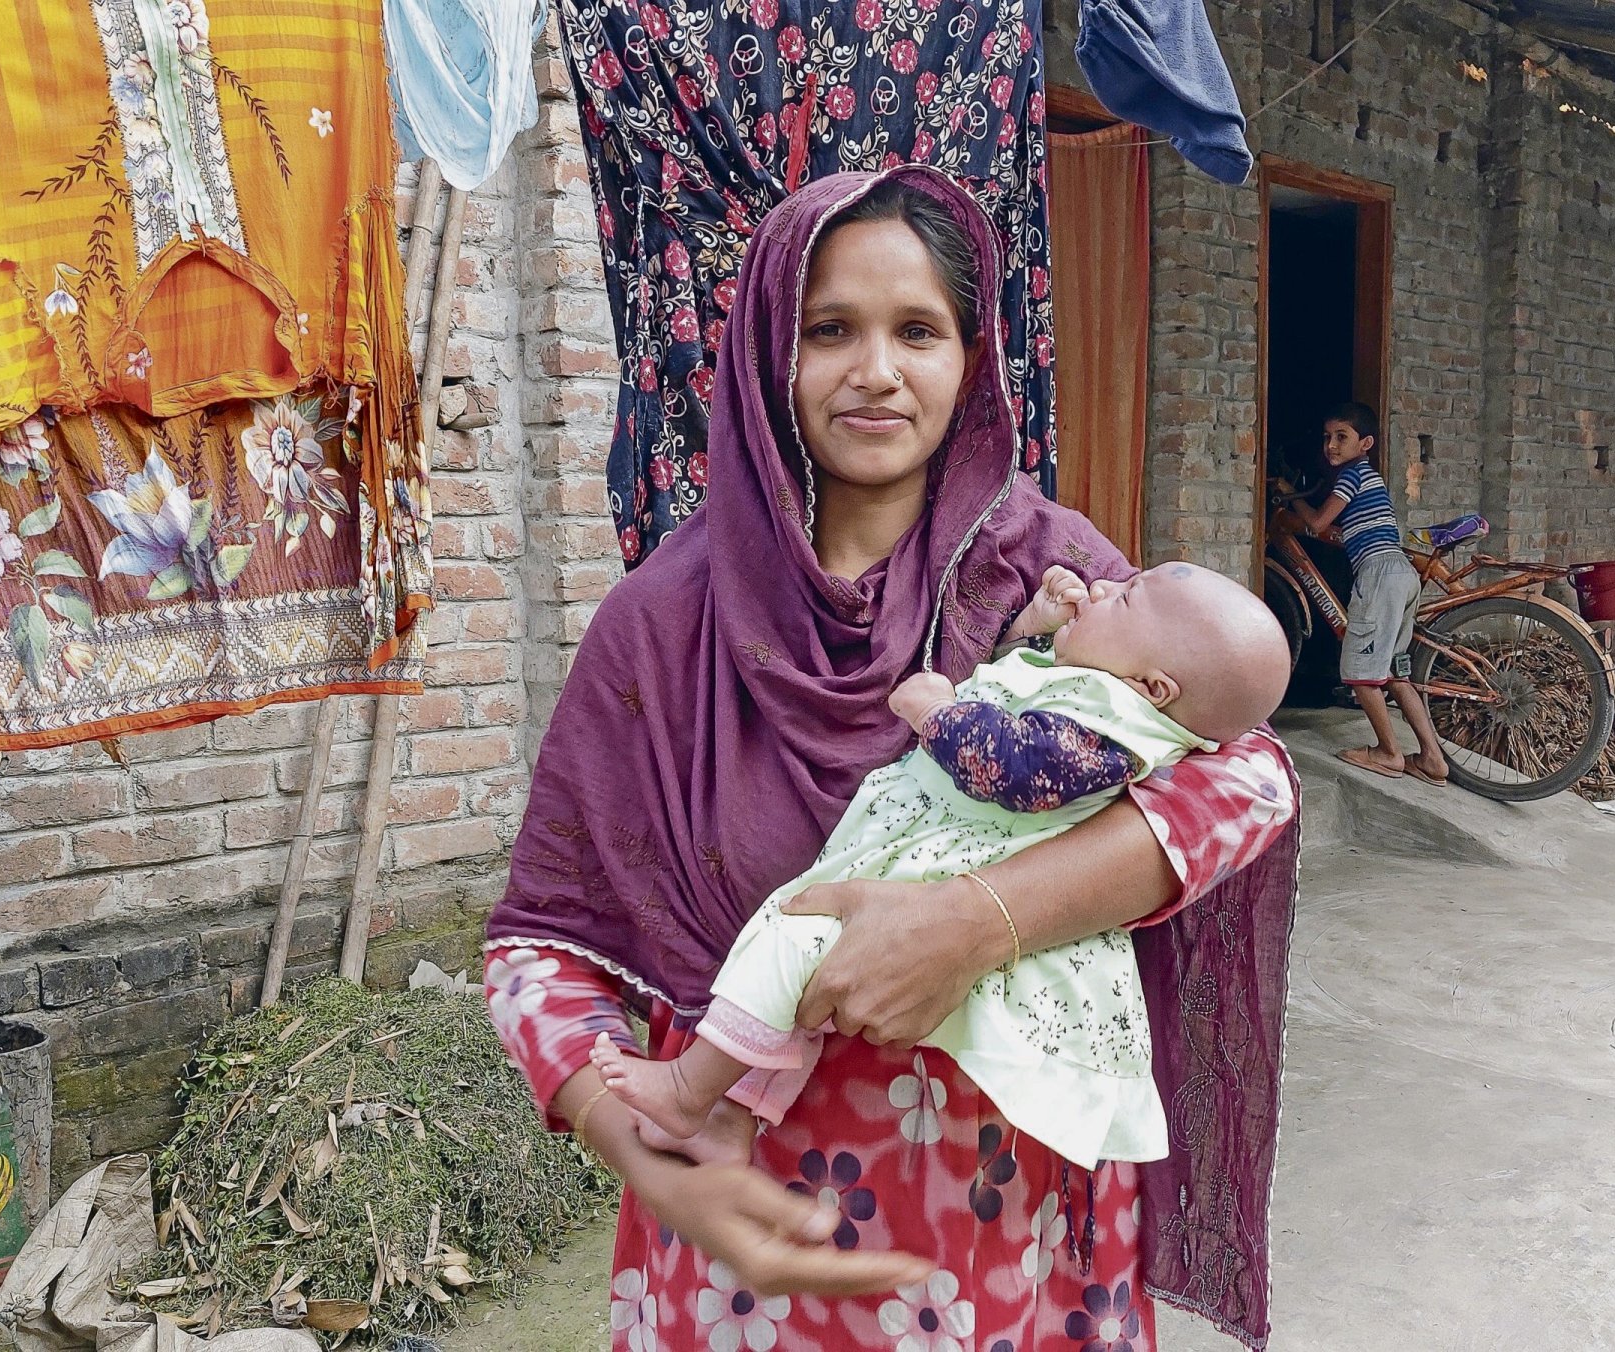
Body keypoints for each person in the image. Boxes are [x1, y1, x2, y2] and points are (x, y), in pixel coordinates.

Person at [483, 165, 1302, 1351]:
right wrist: (647, 1156)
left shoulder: (1053, 579)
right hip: (748, 1254)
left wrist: (982, 918)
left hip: (1018, 1243)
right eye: (830, 330)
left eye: (917, 329)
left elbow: (1251, 775)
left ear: (973, 356)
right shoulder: (665, 625)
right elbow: (537, 947)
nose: (875, 370)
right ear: (773, 353)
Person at [588, 560, 1292, 1173]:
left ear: (1157, 687)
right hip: (903, 871)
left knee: (789, 938)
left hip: (938, 888)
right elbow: (1019, 689)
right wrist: (1034, 627)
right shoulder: (1107, 683)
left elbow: (1018, 766)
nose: (1102, 583)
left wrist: (937, 715)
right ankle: (730, 1120)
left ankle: (689, 1092)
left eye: (1126, 596)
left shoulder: (1121, 721)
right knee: (796, 981)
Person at [1290, 402, 1451, 786]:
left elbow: (1317, 522)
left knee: (1361, 676)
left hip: (1378, 575)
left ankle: (1389, 754)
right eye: (1327, 437)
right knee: (1395, 672)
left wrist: (1289, 496)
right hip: (1400, 573)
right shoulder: (1369, 477)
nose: (1331, 445)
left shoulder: (1351, 475)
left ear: (1365, 443)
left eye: (1341, 437)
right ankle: (1432, 760)